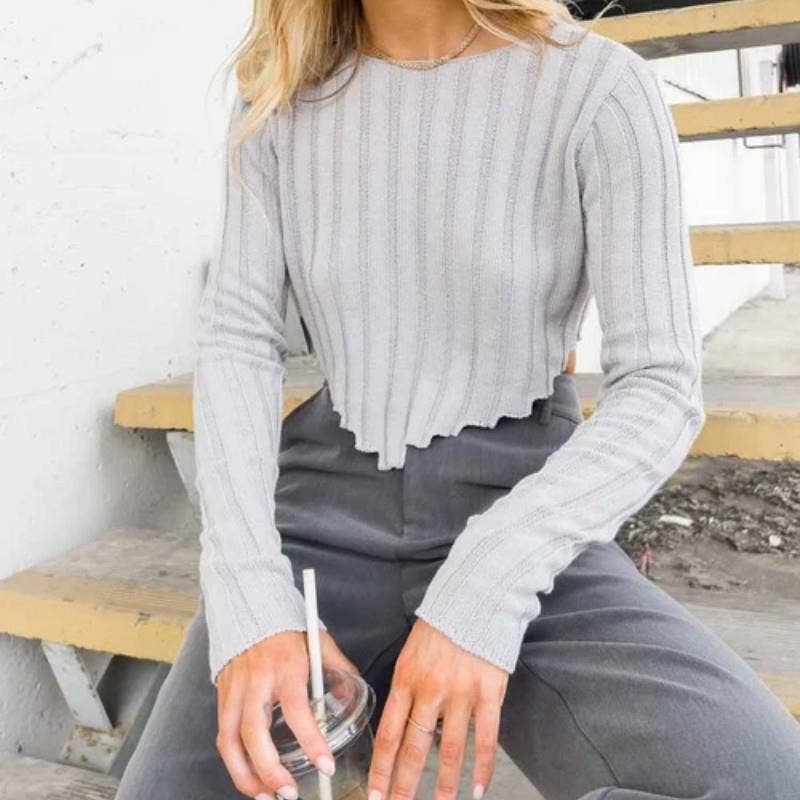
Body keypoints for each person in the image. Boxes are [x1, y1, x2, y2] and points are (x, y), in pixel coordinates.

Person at [116, 1, 800, 798]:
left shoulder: (598, 88)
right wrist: (247, 594)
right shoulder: (279, 96)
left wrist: (488, 584)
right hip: (323, 512)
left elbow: (661, 384)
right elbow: (238, 338)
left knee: (764, 779)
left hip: (523, 508)